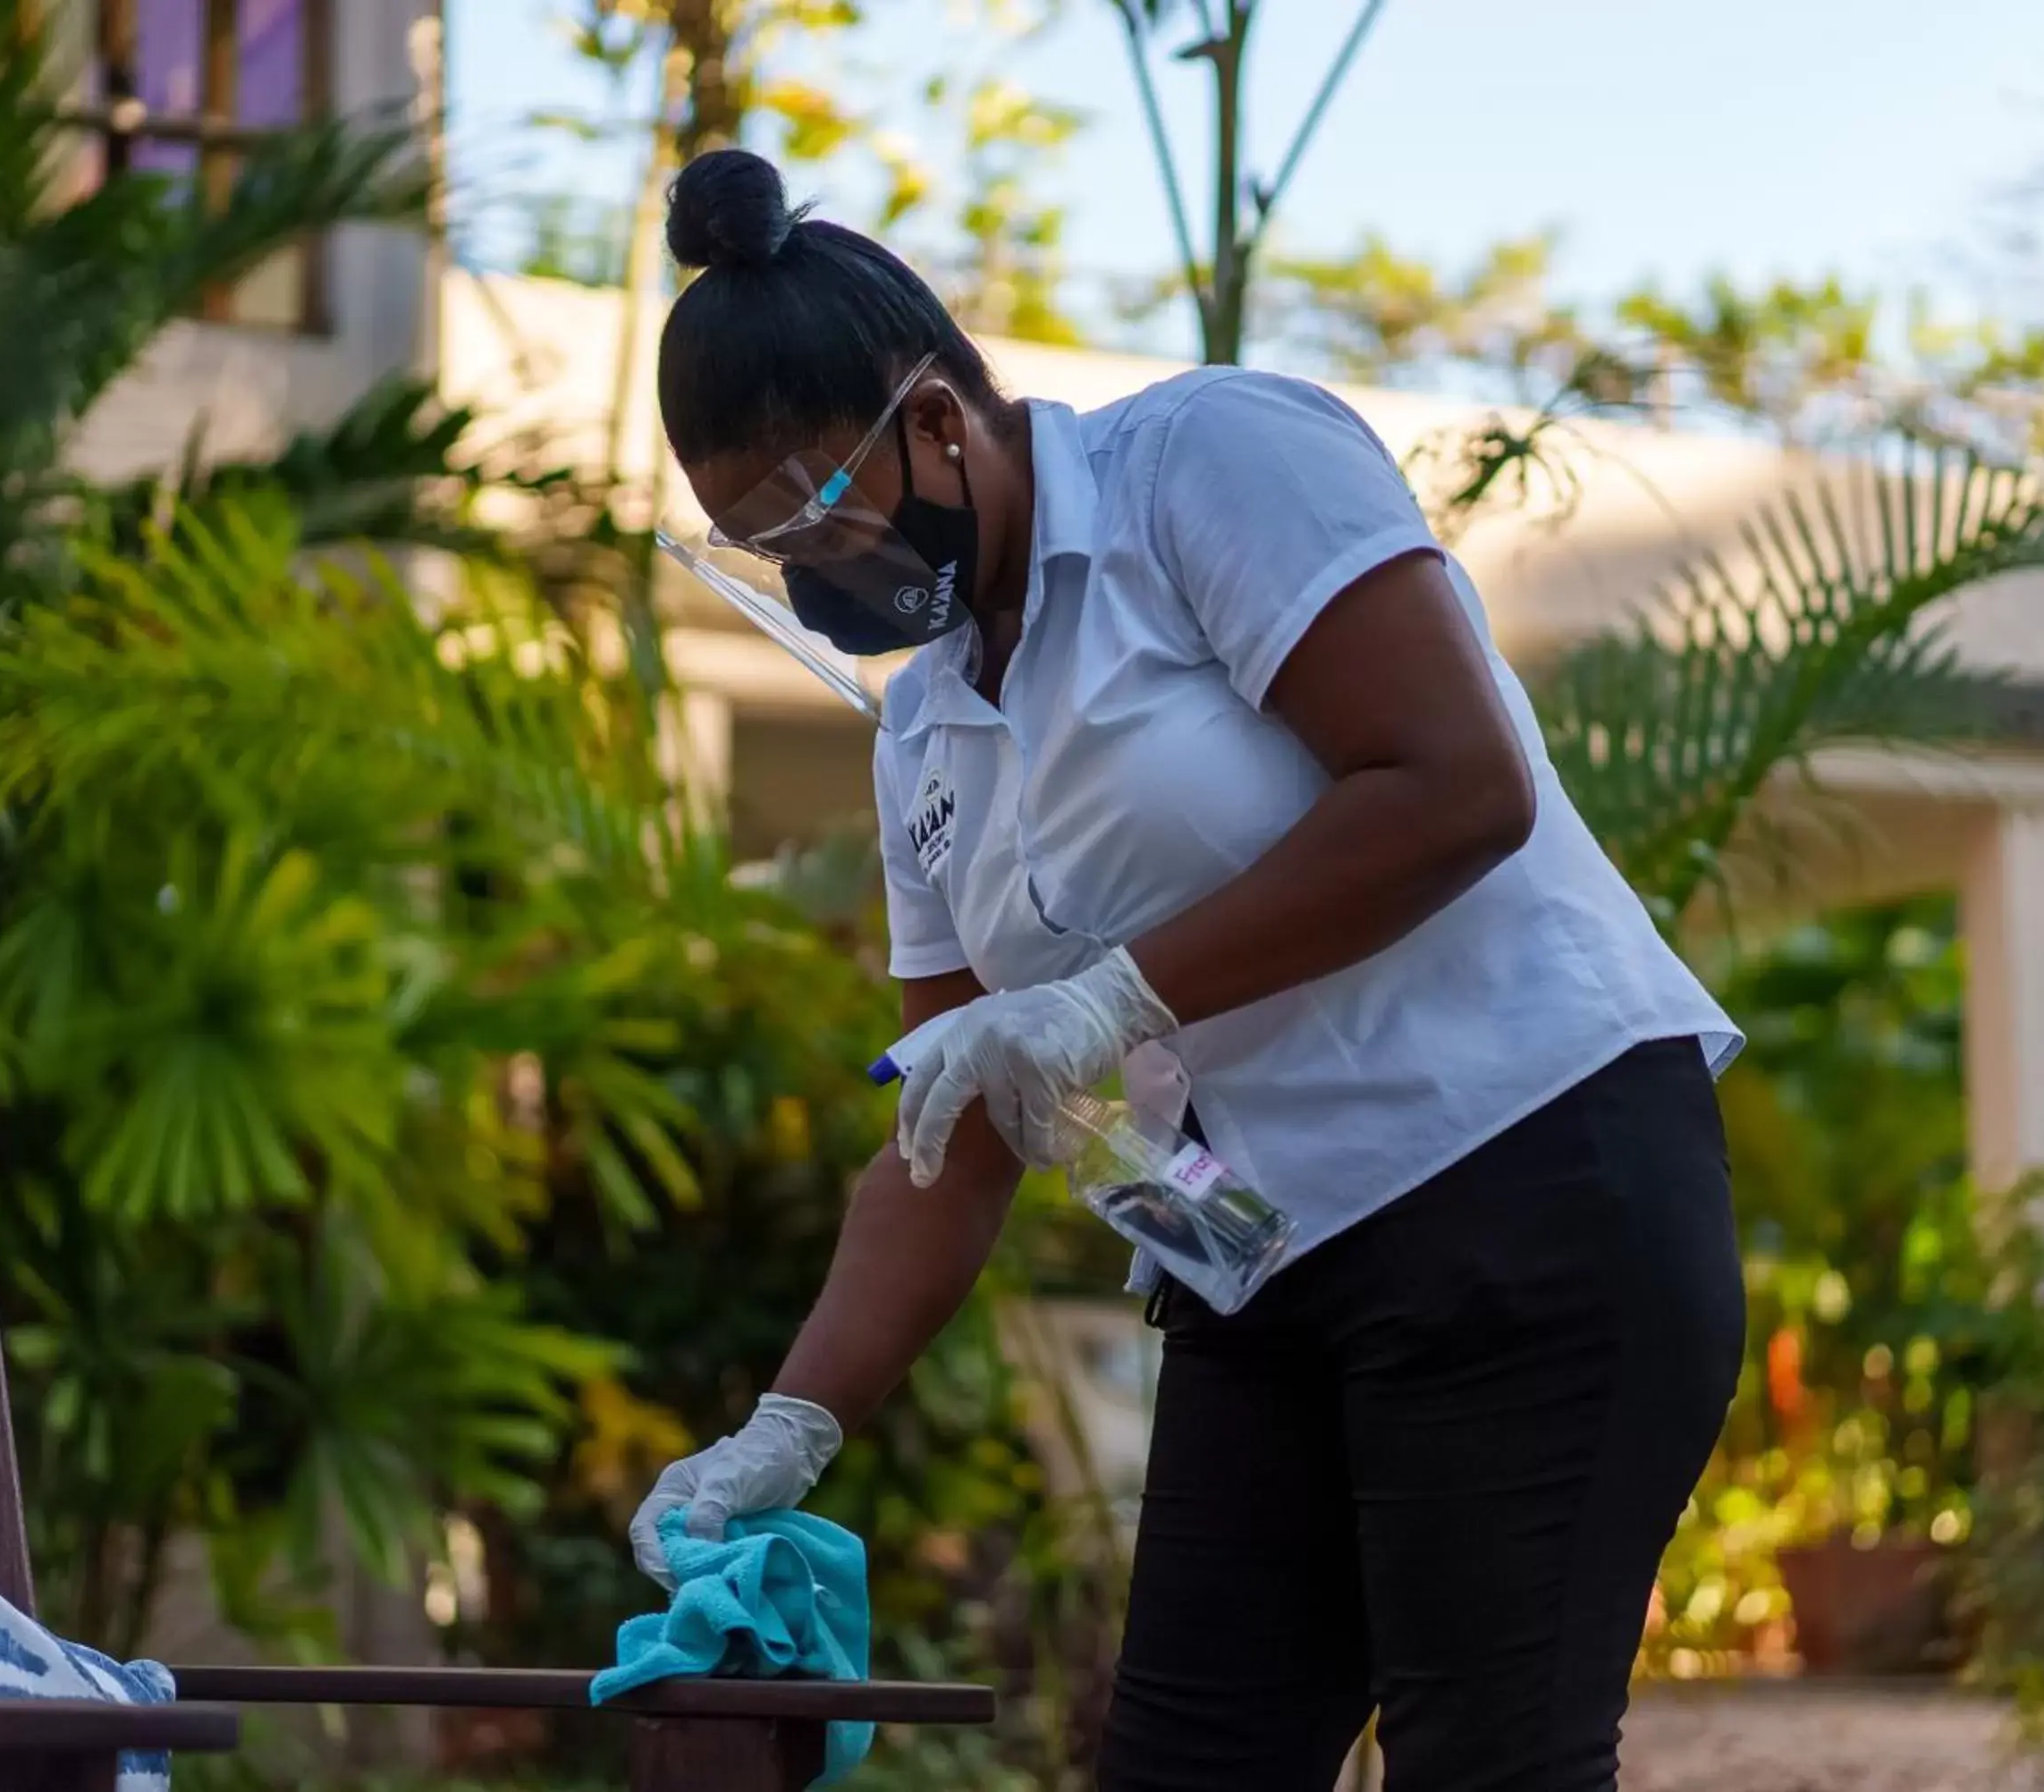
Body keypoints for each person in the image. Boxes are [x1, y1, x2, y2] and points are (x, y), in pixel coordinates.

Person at [629, 147, 1745, 1792]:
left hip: (1531, 1195)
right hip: (1261, 1272)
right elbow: (960, 1128)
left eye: (811, 514)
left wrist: (1111, 997)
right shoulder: (928, 722)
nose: (811, 576)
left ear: (937, 421)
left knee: (1492, 1760)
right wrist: (787, 1427)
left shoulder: (1203, 464)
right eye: (759, 545)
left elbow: (1454, 786)